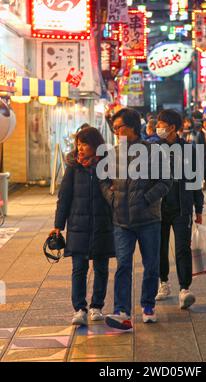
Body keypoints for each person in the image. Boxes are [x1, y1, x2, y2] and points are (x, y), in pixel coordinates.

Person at [101, 108, 172, 330]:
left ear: (132, 126)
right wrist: (112, 197)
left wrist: (146, 198)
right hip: (121, 220)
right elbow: (102, 180)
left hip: (149, 219)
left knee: (151, 265)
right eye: (114, 128)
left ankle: (148, 306)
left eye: (119, 127)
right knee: (123, 265)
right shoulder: (113, 153)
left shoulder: (153, 151)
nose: (116, 132)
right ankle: (122, 310)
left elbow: (165, 181)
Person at [50, 127, 115, 326]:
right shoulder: (73, 167)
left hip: (102, 224)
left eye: (84, 144)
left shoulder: (107, 166)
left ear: (95, 145)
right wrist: (58, 225)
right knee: (78, 268)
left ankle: (97, 306)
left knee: (101, 268)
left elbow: (114, 194)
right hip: (78, 225)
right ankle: (79, 308)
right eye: (78, 144)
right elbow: (65, 197)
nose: (80, 148)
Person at [155, 109, 204, 308]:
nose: (158, 127)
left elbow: (195, 180)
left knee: (183, 248)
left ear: (173, 127)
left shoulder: (190, 150)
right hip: (158, 208)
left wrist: (198, 208)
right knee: (160, 247)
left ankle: (185, 289)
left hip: (182, 208)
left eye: (161, 124)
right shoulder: (152, 149)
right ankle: (163, 283)